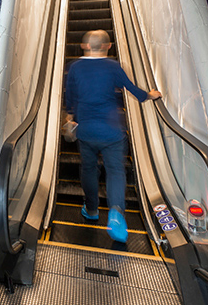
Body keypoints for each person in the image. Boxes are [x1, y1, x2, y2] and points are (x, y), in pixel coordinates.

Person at [64, 30, 161, 243]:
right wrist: (151, 95)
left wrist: (70, 118)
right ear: (108, 46)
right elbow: (134, 91)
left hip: (86, 131)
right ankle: (116, 212)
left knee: (89, 169)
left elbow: (69, 99)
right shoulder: (113, 66)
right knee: (116, 171)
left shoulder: (75, 68)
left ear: (85, 46)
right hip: (112, 132)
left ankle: (91, 210)